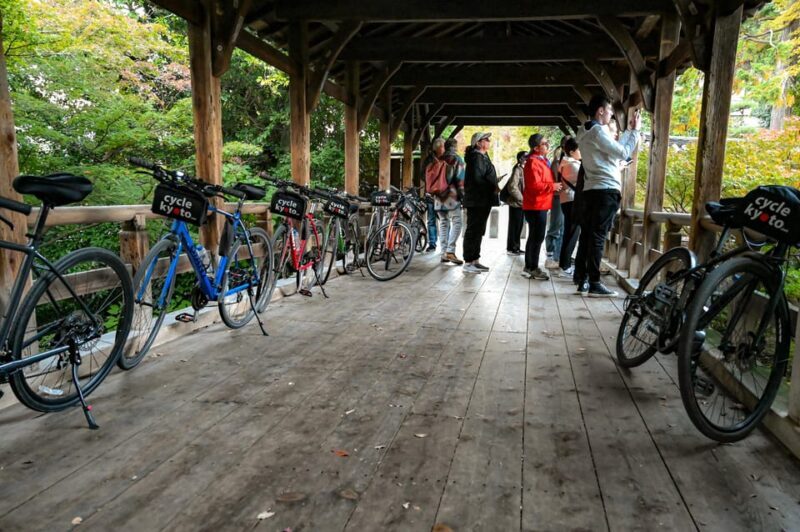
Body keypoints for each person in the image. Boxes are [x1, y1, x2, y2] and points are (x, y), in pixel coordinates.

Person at [573, 95, 641, 297]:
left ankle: (582, 278)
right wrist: (634, 132)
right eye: (610, 110)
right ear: (600, 111)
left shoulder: (582, 131)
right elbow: (623, 152)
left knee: (587, 235)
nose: (611, 115)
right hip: (606, 190)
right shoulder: (597, 131)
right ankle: (594, 282)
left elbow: (612, 152)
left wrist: (629, 131)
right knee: (597, 237)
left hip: (591, 190)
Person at [522, 133, 562, 280]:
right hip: (535, 205)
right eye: (544, 143)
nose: (547, 145)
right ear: (536, 148)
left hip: (541, 204)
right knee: (536, 237)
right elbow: (534, 186)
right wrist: (553, 186)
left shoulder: (542, 160)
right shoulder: (533, 162)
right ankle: (532, 267)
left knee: (535, 236)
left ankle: (530, 266)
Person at [462, 131, 498, 274]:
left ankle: (475, 259)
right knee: (473, 230)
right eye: (486, 139)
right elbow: (478, 179)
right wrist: (493, 186)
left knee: (478, 231)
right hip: (477, 200)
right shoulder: (476, 158)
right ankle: (469, 261)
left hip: (482, 199)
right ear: (478, 143)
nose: (489, 141)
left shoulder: (482, 157)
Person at [436, 138, 465, 265]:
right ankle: (450, 251)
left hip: (438, 197)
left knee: (443, 223)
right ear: (455, 146)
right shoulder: (457, 159)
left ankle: (443, 253)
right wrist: (463, 196)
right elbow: (460, 179)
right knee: (457, 222)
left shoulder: (438, 159)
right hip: (451, 196)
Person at [557, 137, 581, 276]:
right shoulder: (572, 165)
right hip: (572, 201)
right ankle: (565, 265)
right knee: (572, 233)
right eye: (579, 150)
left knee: (570, 232)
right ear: (572, 152)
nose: (581, 152)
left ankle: (564, 264)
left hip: (567, 200)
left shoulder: (566, 162)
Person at [544, 136, 568, 269]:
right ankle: (550, 255)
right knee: (556, 226)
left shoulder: (568, 161)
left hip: (567, 197)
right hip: (558, 197)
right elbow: (556, 182)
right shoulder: (557, 162)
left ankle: (559, 256)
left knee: (564, 227)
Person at [422, 138, 443, 252]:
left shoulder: (429, 160)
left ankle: (437, 244)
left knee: (437, 220)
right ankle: (433, 243)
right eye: (443, 146)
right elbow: (422, 175)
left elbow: (422, 175)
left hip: (436, 194)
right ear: (439, 148)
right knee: (433, 220)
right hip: (434, 195)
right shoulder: (431, 160)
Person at [505, 151, 526, 255]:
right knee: (515, 226)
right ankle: (512, 248)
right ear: (521, 159)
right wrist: (521, 199)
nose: (528, 158)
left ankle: (516, 247)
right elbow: (512, 187)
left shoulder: (523, 169)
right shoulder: (518, 170)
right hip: (516, 203)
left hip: (521, 204)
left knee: (519, 226)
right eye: (526, 156)